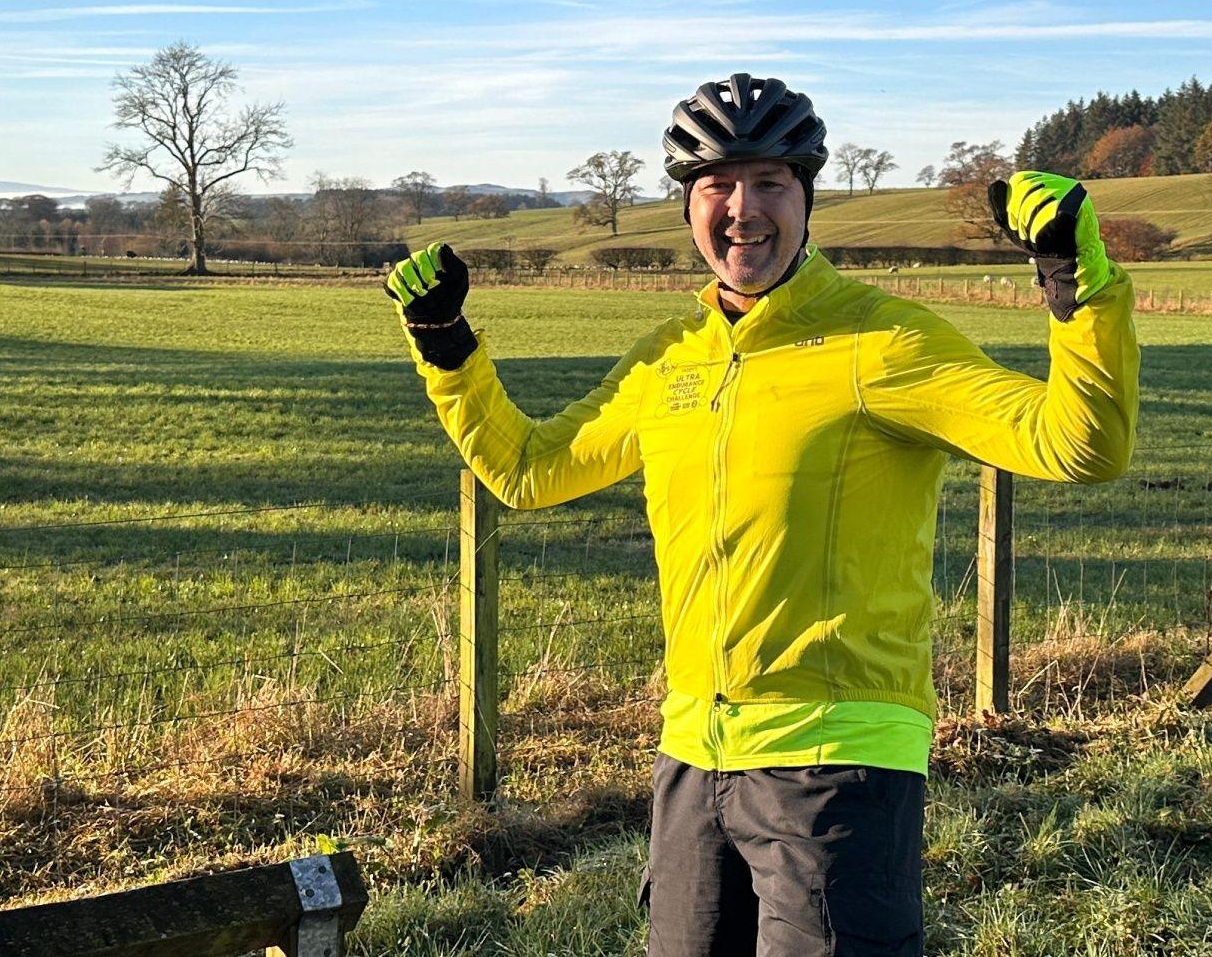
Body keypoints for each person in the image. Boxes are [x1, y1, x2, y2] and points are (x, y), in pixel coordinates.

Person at [386, 73, 1139, 956]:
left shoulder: (884, 341)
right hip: (692, 758)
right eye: (718, 184)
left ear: (808, 198)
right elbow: (527, 470)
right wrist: (446, 347)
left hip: (839, 764)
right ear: (688, 207)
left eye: (770, 182)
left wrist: (1073, 280)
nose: (744, 209)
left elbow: (1078, 445)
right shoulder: (673, 357)